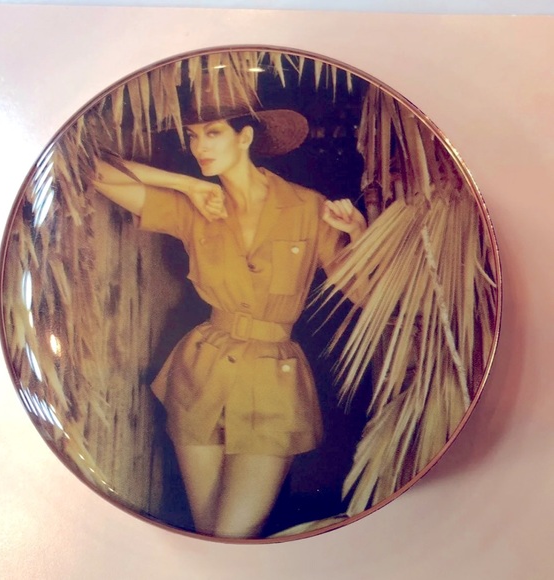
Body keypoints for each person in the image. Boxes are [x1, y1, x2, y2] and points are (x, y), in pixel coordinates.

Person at [92, 75, 367, 538]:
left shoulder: (307, 207)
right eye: (193, 135)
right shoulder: (195, 207)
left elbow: (363, 293)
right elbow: (94, 171)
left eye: (213, 132)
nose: (200, 146)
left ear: (246, 136)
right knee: (209, 538)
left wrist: (358, 235)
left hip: (273, 384)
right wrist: (186, 184)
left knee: (233, 536)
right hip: (201, 373)